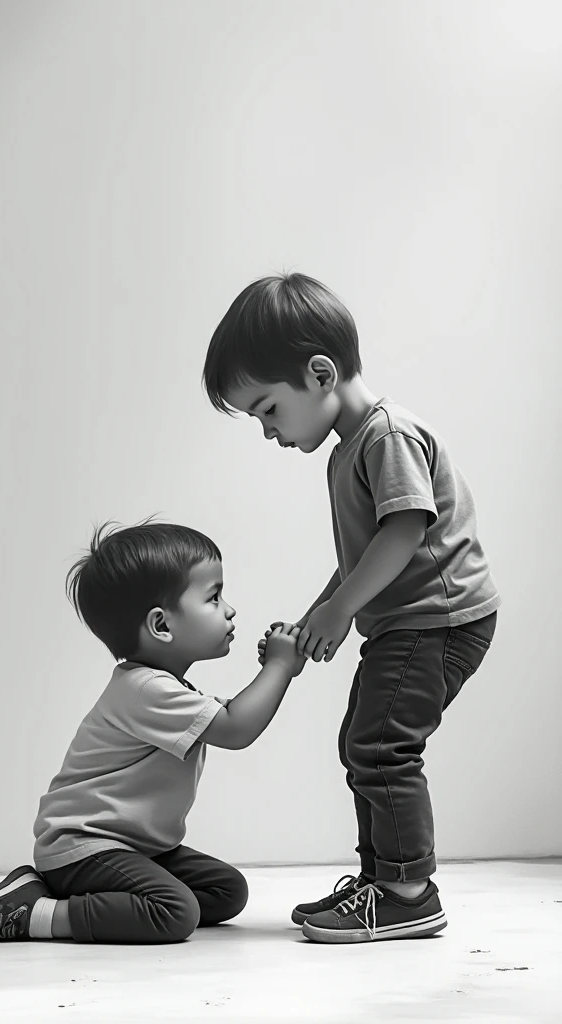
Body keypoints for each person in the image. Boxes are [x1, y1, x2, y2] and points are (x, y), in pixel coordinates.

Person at [203, 272, 500, 943]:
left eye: (268, 409)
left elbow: (405, 532)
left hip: (439, 617)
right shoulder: (349, 452)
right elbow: (360, 559)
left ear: (319, 373)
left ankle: (406, 891)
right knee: (363, 741)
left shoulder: (386, 436)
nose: (267, 430)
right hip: (412, 619)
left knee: (382, 745)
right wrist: (319, 616)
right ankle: (384, 882)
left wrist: (341, 613)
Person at [0, 521, 305, 944]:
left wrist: (274, 671)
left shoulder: (162, 687)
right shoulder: (146, 689)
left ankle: (49, 891)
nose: (229, 609)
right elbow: (235, 729)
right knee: (175, 912)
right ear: (161, 625)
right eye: (213, 598)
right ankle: (33, 913)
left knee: (226, 891)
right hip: (86, 844)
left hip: (134, 847)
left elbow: (230, 715)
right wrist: (280, 668)